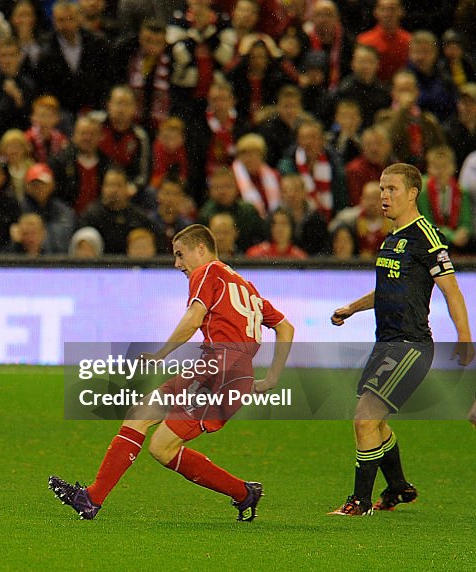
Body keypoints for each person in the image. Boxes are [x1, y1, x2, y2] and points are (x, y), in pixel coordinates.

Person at [49, 223, 295, 521]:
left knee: (158, 440)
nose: (177, 263)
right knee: (150, 428)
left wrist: (161, 354)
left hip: (221, 372)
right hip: (220, 369)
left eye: (180, 254)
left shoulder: (207, 272)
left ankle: (93, 497)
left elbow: (194, 317)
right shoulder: (244, 286)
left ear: (200, 249)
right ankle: (93, 498)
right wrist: (271, 377)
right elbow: (285, 327)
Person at [329, 163, 473, 516]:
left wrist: (464, 337)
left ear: (412, 193)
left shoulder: (427, 235)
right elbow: (387, 288)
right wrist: (352, 308)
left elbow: (452, 290)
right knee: (375, 422)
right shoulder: (392, 238)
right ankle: (397, 487)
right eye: (381, 189)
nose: (384, 196)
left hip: (410, 345)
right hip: (387, 344)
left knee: (364, 419)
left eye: (391, 189)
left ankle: (359, 503)